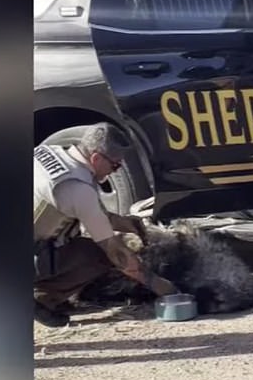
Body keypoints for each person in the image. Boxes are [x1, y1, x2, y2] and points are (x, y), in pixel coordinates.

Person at [33, 122, 179, 326]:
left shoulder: (49, 153)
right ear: (96, 158)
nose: (114, 170)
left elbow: (90, 212)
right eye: (115, 165)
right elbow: (115, 253)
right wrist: (162, 287)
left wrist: (128, 224)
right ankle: (43, 298)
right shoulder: (77, 189)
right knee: (98, 256)